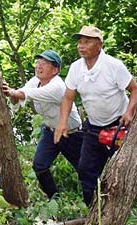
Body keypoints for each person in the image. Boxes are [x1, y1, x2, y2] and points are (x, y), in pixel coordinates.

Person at [54, 25, 137, 206]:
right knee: (86, 170)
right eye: (80, 42)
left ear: (99, 44)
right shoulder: (76, 68)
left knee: (122, 171)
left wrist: (129, 112)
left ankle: (124, 207)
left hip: (119, 125)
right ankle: (93, 211)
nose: (81, 46)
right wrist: (62, 123)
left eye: (87, 42)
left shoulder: (113, 66)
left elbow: (134, 88)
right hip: (93, 127)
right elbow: (68, 97)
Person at [2, 50, 83, 199]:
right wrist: (11, 95)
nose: (39, 67)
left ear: (55, 70)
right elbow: (21, 94)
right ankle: (54, 198)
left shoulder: (57, 86)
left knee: (84, 170)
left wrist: (13, 93)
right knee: (39, 165)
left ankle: (94, 200)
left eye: (44, 64)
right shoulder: (35, 81)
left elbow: (28, 94)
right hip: (50, 131)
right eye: (38, 63)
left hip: (71, 133)